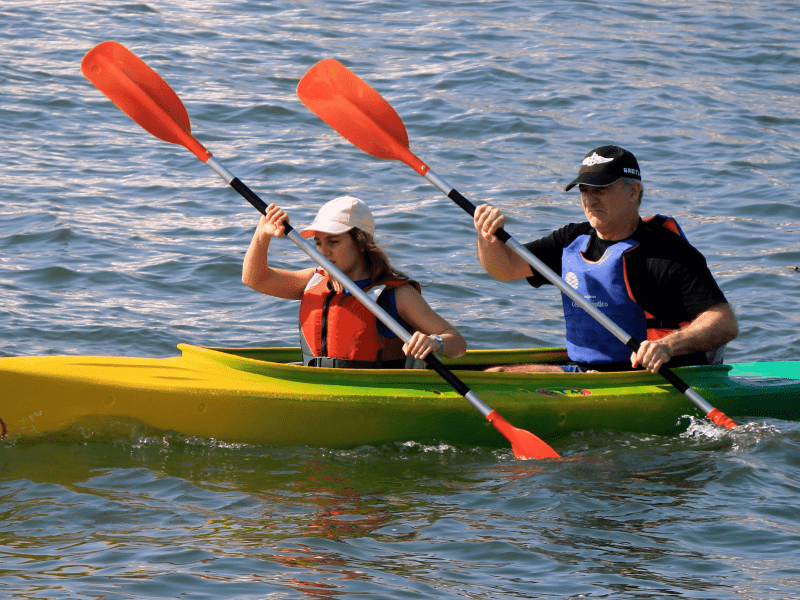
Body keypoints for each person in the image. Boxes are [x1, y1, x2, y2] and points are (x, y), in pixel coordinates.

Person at [473, 145, 738, 374]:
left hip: (653, 374)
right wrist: (487, 236)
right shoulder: (571, 240)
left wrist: (667, 346)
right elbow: (505, 268)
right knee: (496, 372)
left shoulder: (667, 253)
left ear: (633, 191)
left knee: (499, 373)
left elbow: (724, 323)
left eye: (601, 188)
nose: (590, 199)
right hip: (590, 371)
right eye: (584, 190)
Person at [243, 195, 467, 368]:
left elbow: (457, 343)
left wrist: (435, 342)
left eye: (333, 241)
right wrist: (262, 235)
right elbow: (255, 279)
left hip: (372, 393)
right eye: (319, 243)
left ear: (361, 241)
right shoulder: (312, 281)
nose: (324, 252)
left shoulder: (397, 295)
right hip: (318, 384)